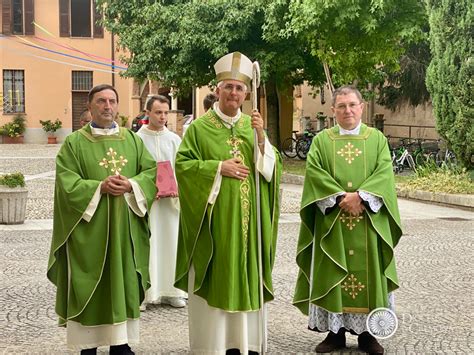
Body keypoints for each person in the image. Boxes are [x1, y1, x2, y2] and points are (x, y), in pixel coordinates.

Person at [174, 52, 282, 354]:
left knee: (246, 274)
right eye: (229, 87)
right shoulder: (198, 128)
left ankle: (243, 344)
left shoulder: (253, 125)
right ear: (217, 90)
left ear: (247, 93)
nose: (234, 93)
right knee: (218, 276)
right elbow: (183, 166)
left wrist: (261, 138)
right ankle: (214, 346)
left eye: (239, 88)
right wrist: (218, 168)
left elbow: (271, 169)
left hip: (249, 228)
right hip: (216, 225)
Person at [47, 84, 157, 355]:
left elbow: (150, 173)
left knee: (123, 280)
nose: (108, 106)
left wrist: (131, 185)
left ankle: (120, 343)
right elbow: (66, 183)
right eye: (101, 101)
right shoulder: (74, 143)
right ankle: (88, 345)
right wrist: (99, 187)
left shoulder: (132, 141)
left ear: (118, 106)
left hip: (124, 232)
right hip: (89, 234)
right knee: (90, 284)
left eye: (112, 101)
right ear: (90, 106)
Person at [293, 86, 402, 354]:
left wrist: (361, 198)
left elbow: (384, 174)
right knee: (333, 270)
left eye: (352, 105)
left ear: (361, 107)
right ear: (333, 111)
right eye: (341, 106)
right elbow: (315, 174)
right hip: (333, 221)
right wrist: (342, 197)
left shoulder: (376, 139)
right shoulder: (321, 141)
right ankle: (335, 333)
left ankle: (368, 335)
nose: (347, 111)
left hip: (368, 222)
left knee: (369, 274)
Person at [136, 95, 187, 309]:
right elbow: (135, 170)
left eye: (166, 112)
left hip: (170, 205)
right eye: (158, 112)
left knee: (171, 243)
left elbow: (183, 169)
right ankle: (146, 292)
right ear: (147, 113)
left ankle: (172, 290)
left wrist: (177, 188)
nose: (163, 117)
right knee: (148, 244)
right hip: (147, 203)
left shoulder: (174, 139)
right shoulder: (137, 139)